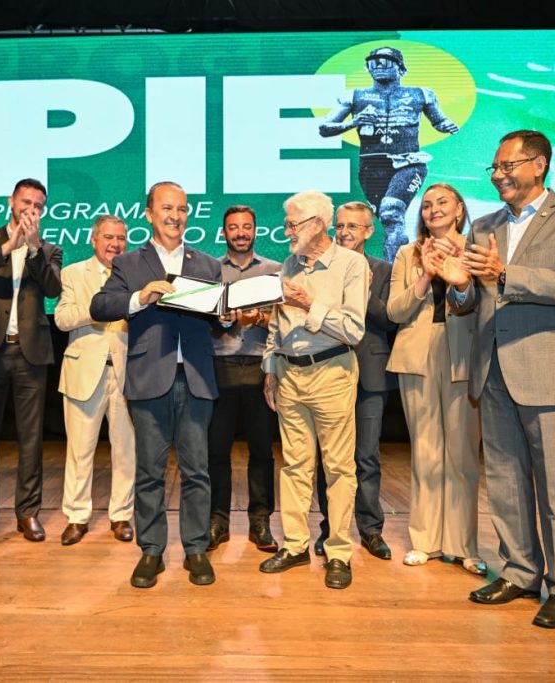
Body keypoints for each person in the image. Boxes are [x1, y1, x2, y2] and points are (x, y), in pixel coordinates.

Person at [441, 130, 555, 628]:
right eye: (494, 167)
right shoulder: (485, 225)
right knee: (507, 482)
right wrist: (460, 287)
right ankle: (520, 571)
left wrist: (504, 273)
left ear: (539, 164)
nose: (498, 175)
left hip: (547, 372)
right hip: (493, 370)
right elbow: (472, 301)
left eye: (507, 165)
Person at [89, 181, 223, 589]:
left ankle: (196, 549)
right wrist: (140, 297)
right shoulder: (130, 263)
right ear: (149, 214)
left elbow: (218, 323)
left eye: (182, 209)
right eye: (167, 208)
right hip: (149, 380)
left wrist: (227, 316)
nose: (175, 216)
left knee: (197, 471)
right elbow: (100, 306)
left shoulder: (208, 264)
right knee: (148, 472)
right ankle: (151, 551)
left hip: (196, 379)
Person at [259, 190, 368, 590]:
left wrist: (310, 304)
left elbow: (354, 329)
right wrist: (270, 368)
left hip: (332, 372)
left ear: (318, 224)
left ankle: (338, 552)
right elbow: (276, 324)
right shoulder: (288, 265)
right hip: (289, 375)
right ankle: (294, 546)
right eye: (287, 223)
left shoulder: (352, 264)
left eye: (293, 224)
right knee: (294, 466)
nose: (287, 231)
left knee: (338, 468)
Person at [387, 183, 484, 575]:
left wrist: (460, 277)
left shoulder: (477, 250)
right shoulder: (407, 253)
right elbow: (395, 312)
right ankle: (424, 540)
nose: (433, 209)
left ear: (459, 209)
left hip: (463, 358)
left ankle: (463, 546)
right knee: (426, 454)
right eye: (426, 205)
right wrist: (425, 276)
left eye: (442, 202)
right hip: (417, 358)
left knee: (462, 455)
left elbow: (485, 306)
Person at [0, 178, 63, 547]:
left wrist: (34, 247)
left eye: (38, 206)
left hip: (31, 353)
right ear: (11, 201)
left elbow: (53, 289)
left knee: (31, 438)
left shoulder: (49, 249)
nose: (31, 210)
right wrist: (11, 245)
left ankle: (28, 512)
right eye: (26, 203)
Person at [319, 46, 459, 266]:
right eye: (373, 61)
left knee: (391, 212)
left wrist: (446, 125)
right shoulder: (353, 96)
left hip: (408, 163)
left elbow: (439, 120)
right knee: (389, 222)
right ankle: (398, 267)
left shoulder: (422, 94)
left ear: (401, 68)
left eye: (385, 61)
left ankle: (397, 274)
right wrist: (354, 122)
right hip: (371, 167)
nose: (379, 65)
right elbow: (325, 128)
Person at [314, 201, 396, 561]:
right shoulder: (322, 267)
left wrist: (365, 291)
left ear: (369, 231)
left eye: (353, 226)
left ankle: (371, 530)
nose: (345, 232)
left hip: (370, 375)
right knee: (329, 457)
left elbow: (390, 320)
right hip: (328, 372)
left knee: (366, 455)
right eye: (340, 225)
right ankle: (330, 528)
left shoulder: (385, 269)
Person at [55, 215, 136, 545]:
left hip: (127, 373)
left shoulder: (135, 275)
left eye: (121, 238)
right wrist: (98, 309)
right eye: (108, 237)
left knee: (126, 450)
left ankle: (122, 515)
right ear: (94, 239)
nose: (115, 244)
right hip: (84, 371)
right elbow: (62, 319)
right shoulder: (73, 273)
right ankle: (76, 516)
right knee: (80, 450)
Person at [207, 205, 280, 553]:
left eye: (246, 227)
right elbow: (200, 320)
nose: (240, 233)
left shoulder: (274, 270)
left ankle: (260, 521)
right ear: (224, 232)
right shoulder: (210, 270)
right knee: (215, 450)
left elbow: (284, 323)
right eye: (234, 227)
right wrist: (221, 319)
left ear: (255, 230)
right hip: (217, 367)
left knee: (262, 451)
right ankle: (217, 521)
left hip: (259, 368)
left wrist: (259, 319)